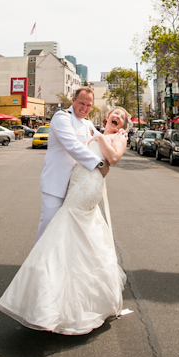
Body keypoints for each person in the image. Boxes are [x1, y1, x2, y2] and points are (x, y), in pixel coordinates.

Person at [0, 105, 130, 335]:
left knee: (64, 227)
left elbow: (113, 158)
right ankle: (55, 294)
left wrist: (99, 137)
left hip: (88, 187)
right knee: (76, 234)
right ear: (107, 118)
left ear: (124, 124)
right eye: (115, 114)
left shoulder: (119, 137)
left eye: (122, 116)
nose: (117, 117)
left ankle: (50, 298)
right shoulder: (92, 129)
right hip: (76, 181)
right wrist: (95, 136)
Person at [34, 87, 108, 244]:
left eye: (89, 105)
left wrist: (118, 136)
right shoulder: (62, 117)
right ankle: (37, 267)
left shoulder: (87, 124)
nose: (85, 108)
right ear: (73, 101)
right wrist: (99, 163)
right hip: (55, 185)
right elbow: (72, 145)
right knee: (49, 229)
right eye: (82, 103)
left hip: (76, 187)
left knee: (68, 233)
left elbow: (103, 140)